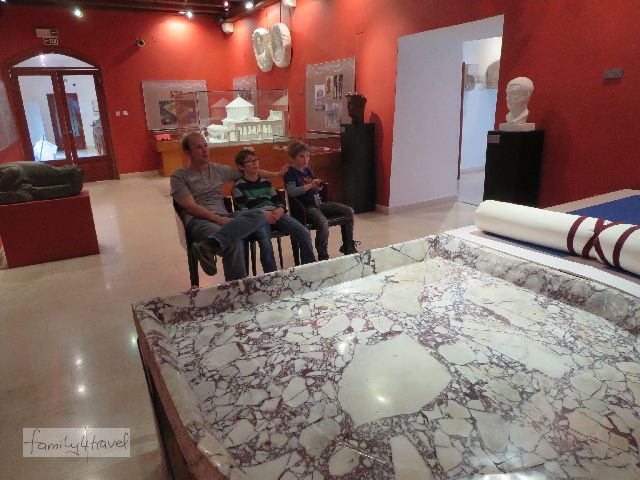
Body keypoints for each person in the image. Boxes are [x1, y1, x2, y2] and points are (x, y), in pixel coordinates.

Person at [170, 132, 284, 281]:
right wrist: (219, 220)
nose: (205, 150)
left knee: (260, 214)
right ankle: (237, 287)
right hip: (198, 220)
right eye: (198, 147)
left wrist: (276, 174)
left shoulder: (217, 169)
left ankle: (209, 245)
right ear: (187, 152)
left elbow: (250, 171)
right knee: (233, 241)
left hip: (224, 215)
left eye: (205, 145)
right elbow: (191, 207)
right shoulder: (179, 176)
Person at [232, 149, 316, 270]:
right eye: (250, 161)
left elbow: (278, 201)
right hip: (258, 218)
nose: (255, 163)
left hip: (276, 213)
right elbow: (243, 210)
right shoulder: (238, 186)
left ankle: (309, 269)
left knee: (304, 232)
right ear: (241, 167)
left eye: (256, 160)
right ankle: (272, 276)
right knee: (266, 244)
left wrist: (280, 209)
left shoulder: (266, 182)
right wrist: (263, 214)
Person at [284, 140, 358, 261]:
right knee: (323, 223)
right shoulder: (290, 173)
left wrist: (317, 186)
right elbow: (292, 191)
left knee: (349, 211)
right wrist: (310, 185)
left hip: (319, 203)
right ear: (293, 158)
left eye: (307, 155)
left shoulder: (307, 170)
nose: (305, 159)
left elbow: (313, 185)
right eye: (301, 156)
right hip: (306, 207)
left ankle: (348, 246)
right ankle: (323, 255)